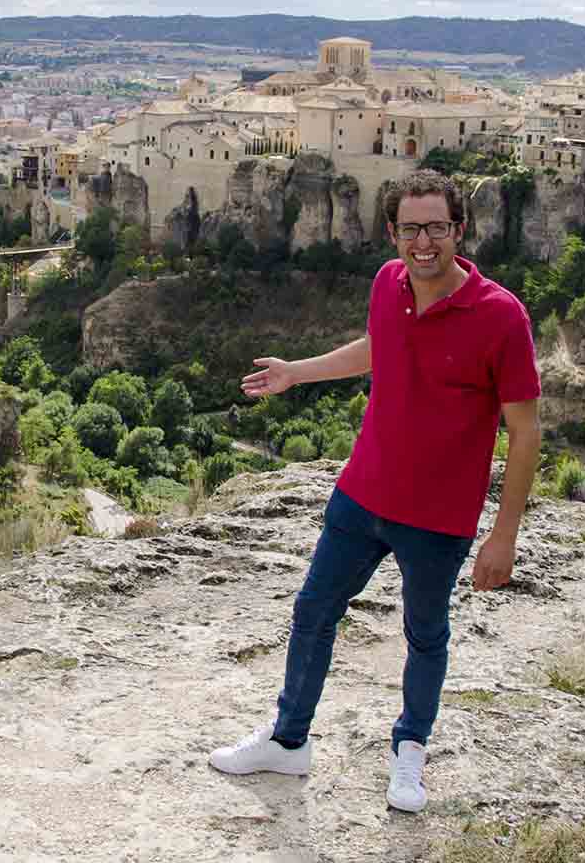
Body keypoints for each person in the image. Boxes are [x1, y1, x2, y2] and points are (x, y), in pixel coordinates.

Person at [207, 169, 543, 813]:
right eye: (411, 228)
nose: (424, 242)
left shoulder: (501, 316)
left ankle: (410, 753)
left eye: (437, 228)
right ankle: (288, 740)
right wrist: (296, 373)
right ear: (392, 233)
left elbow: (525, 434)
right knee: (313, 611)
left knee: (424, 634)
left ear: (459, 231)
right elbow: (377, 348)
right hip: (363, 493)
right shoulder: (388, 284)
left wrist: (504, 537)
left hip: (439, 516)